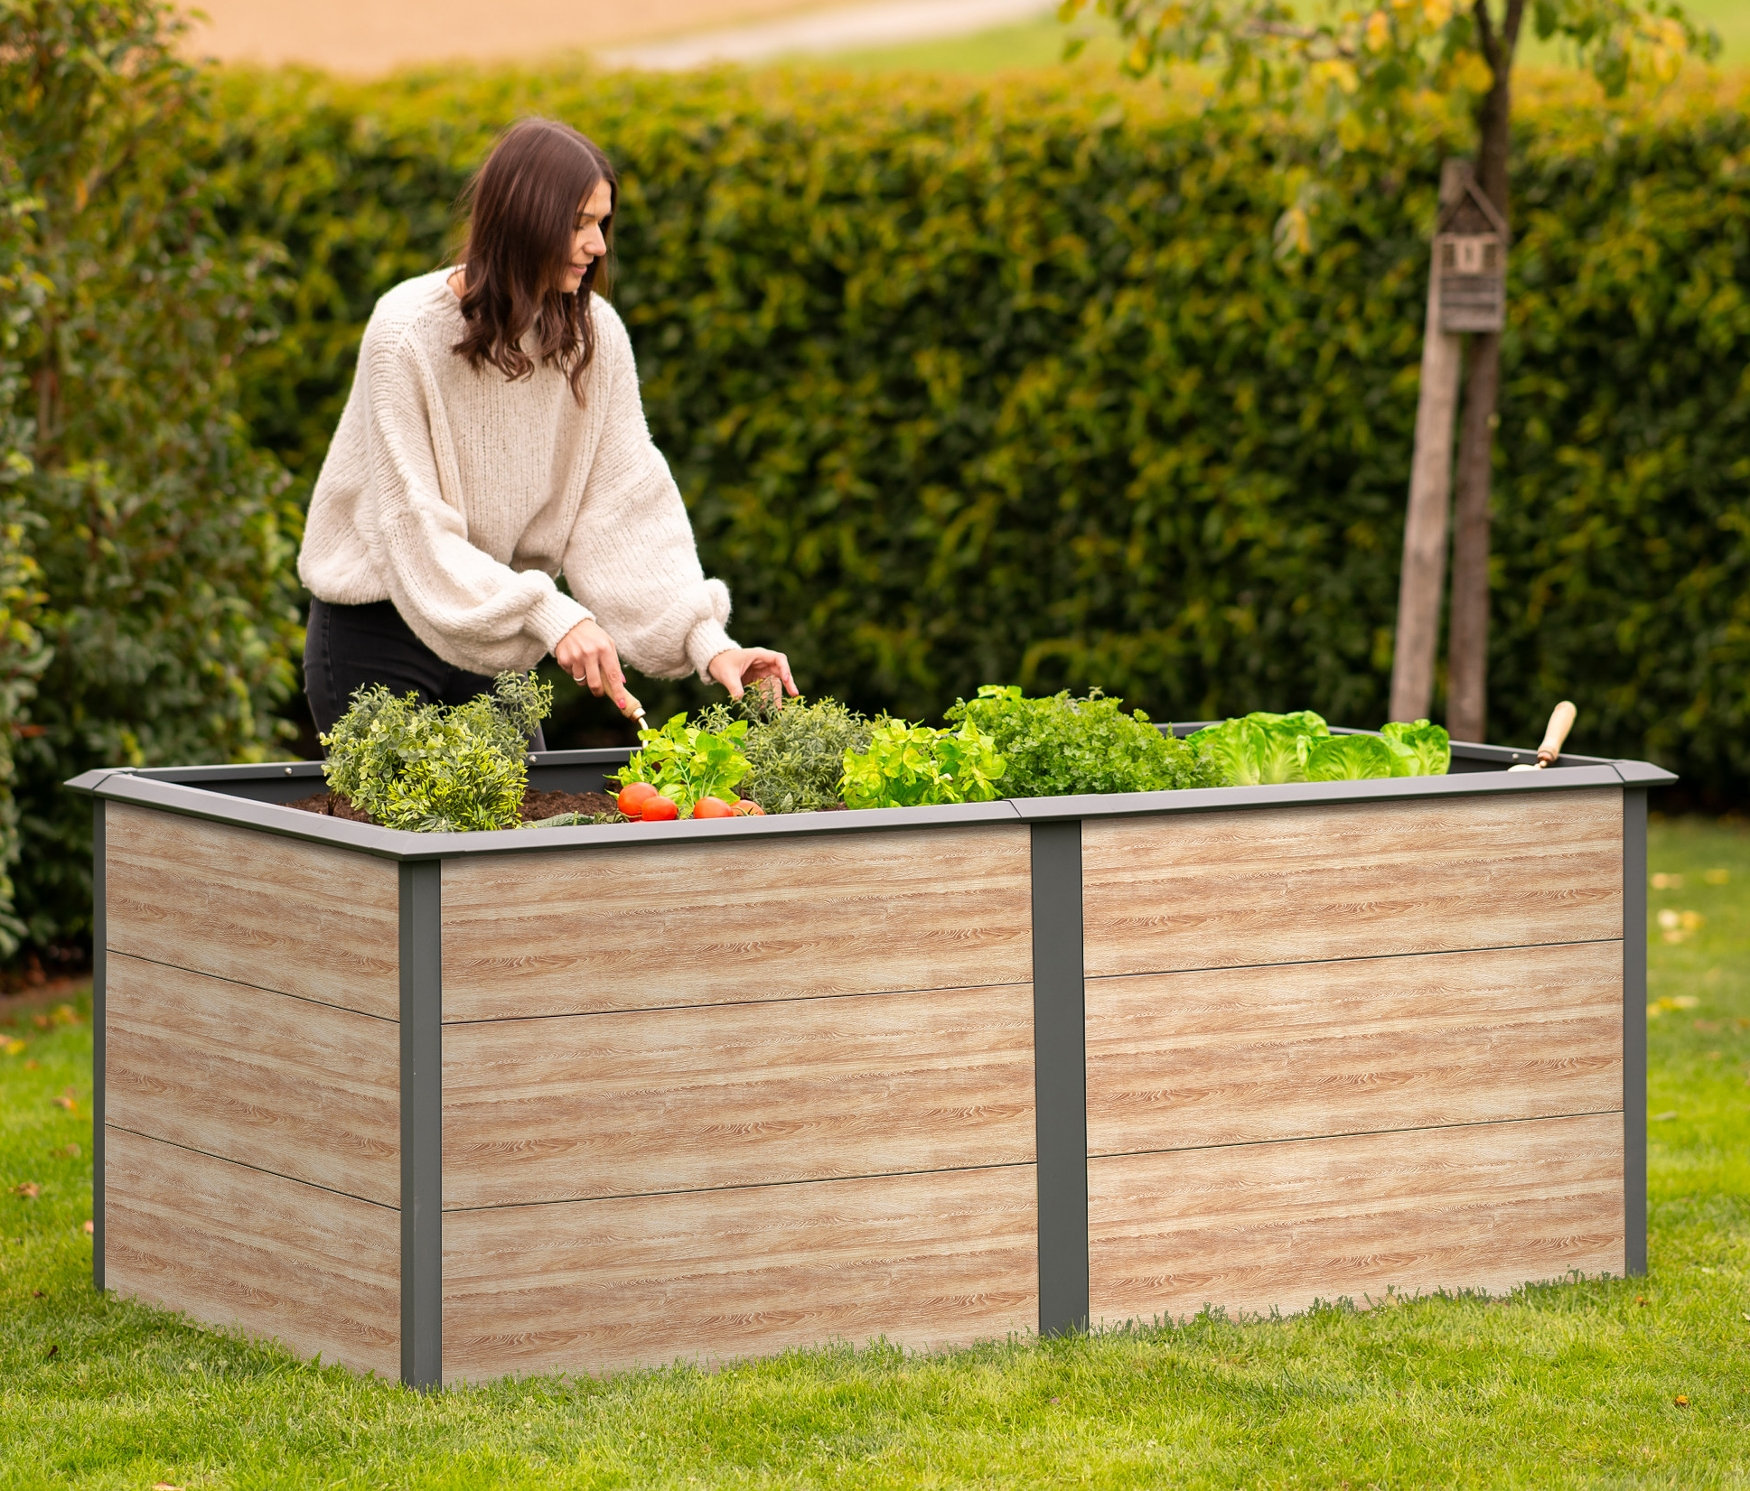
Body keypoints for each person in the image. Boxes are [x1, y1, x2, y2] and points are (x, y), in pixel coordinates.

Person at [297, 117, 795, 743]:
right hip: (379, 638)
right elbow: (412, 530)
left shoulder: (594, 337)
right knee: (411, 837)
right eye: (581, 223)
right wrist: (551, 614)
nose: (599, 246)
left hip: (497, 634)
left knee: (522, 836)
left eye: (603, 224)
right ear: (524, 218)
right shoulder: (404, 334)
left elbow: (623, 508)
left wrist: (708, 643)